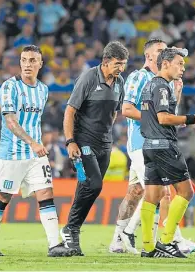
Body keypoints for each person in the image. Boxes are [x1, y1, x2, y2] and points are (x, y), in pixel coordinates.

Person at [109, 39, 195, 254]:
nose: (164, 53)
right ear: (149, 56)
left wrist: (177, 92)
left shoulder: (166, 80)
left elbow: (168, 112)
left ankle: (118, 239)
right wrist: (156, 119)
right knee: (165, 193)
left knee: (135, 192)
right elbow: (127, 109)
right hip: (140, 142)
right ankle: (174, 240)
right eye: (160, 50)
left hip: (153, 142)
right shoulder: (138, 77)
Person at [0, 45, 75, 257]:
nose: (27, 64)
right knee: (3, 196)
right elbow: (10, 121)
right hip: (12, 153)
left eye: (33, 60)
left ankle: (54, 245)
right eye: (24, 60)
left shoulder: (43, 89)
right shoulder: (9, 87)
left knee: (46, 192)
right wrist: (32, 142)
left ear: (40, 64)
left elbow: (35, 122)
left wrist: (36, 144)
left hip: (35, 154)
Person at [139, 48, 195, 258]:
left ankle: (148, 247)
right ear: (166, 64)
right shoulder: (161, 86)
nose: (183, 68)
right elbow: (163, 118)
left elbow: (158, 116)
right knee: (186, 191)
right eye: (179, 63)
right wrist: (192, 119)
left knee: (152, 197)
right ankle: (167, 241)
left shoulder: (150, 84)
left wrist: (176, 96)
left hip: (149, 146)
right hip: (164, 146)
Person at [61, 41, 128, 256]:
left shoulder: (120, 82)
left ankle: (71, 231)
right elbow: (70, 111)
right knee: (95, 184)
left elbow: (115, 112)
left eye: (124, 64)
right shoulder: (88, 78)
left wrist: (107, 134)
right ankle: (71, 228)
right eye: (118, 64)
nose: (121, 68)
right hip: (84, 142)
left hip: (105, 144)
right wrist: (70, 141)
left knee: (87, 186)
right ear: (105, 62)